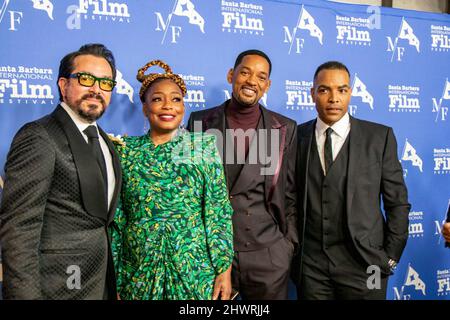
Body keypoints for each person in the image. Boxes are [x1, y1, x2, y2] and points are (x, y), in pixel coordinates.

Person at [0, 43, 122, 299]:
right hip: (55, 288)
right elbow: (19, 230)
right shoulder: (39, 136)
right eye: (86, 78)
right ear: (63, 85)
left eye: (106, 83)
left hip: (98, 286)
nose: (96, 89)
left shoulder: (105, 142)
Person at [110, 60, 234, 300]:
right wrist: (115, 275)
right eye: (157, 99)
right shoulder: (126, 151)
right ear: (145, 108)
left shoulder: (201, 147)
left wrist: (224, 271)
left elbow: (218, 212)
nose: (168, 106)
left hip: (194, 272)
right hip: (138, 273)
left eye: (176, 99)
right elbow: (118, 219)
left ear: (184, 106)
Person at [292, 61, 410, 300]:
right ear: (312, 93)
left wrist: (389, 259)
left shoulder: (379, 137)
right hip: (311, 268)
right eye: (324, 90)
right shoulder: (296, 136)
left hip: (368, 265)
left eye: (342, 90)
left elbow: (397, 204)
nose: (334, 98)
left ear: (351, 93)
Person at [187, 49, 298, 300]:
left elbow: (290, 193)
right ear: (231, 75)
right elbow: (188, 192)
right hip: (212, 254)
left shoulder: (284, 128)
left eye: (261, 77)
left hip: (268, 255)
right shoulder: (198, 122)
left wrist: (286, 246)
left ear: (267, 85)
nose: (251, 81)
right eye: (245, 72)